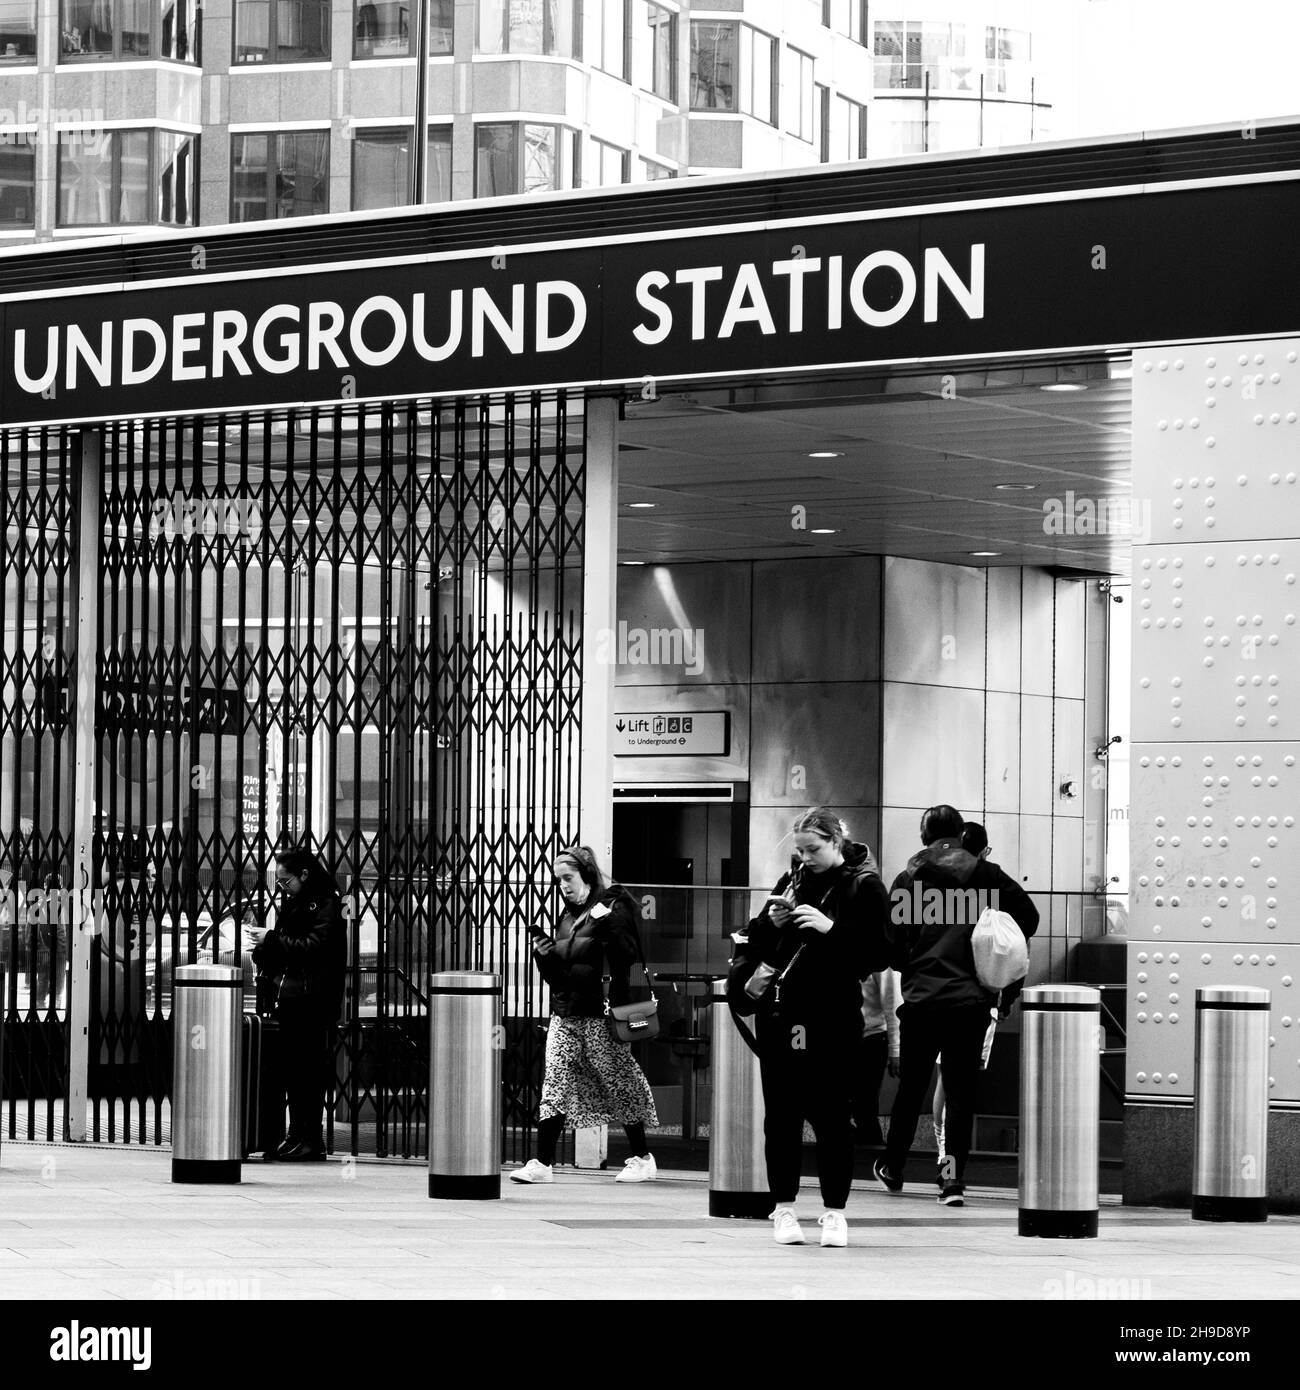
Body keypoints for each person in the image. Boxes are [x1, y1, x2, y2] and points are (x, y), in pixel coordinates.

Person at [728, 808, 890, 1248]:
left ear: (837, 842)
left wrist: (831, 929)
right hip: (782, 1013)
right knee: (781, 1115)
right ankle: (783, 1208)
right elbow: (755, 937)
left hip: (833, 1015)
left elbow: (878, 955)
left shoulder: (864, 885)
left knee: (833, 1116)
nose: (804, 858)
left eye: (813, 849)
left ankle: (834, 1212)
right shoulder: (791, 882)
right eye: (799, 850)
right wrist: (772, 923)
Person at [876, 805, 1038, 1207]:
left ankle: (894, 1168)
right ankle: (950, 1180)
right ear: (960, 834)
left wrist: (916, 961)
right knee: (961, 1095)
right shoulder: (986, 875)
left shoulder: (908, 879)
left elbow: (893, 948)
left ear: (924, 836)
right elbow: (1029, 918)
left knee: (911, 1089)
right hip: (969, 1003)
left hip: (922, 1002)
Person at [512, 844, 658, 1185]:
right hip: (566, 1014)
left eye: (568, 877)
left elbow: (627, 956)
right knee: (555, 1083)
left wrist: (607, 925)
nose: (563, 885)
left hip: (601, 1015)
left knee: (620, 1082)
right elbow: (561, 976)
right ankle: (542, 1162)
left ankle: (643, 1157)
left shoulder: (612, 907)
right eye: (558, 879)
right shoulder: (567, 919)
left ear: (587, 875)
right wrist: (544, 955)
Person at [247, 849, 346, 1162]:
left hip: (313, 1001)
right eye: (279, 882)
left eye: (285, 880)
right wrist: (263, 948)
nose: (282, 887)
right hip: (289, 998)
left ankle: (310, 1139)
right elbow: (288, 948)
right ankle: (295, 1135)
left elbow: (314, 948)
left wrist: (271, 939)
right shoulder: (296, 903)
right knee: (292, 1071)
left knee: (308, 1072)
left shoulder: (328, 904)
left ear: (304, 874)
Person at [852, 966, 900, 1148]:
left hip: (871, 1037)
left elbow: (892, 1003)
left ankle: (871, 1150)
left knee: (864, 1105)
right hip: (844, 1038)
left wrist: (895, 1049)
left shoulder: (881, 961)